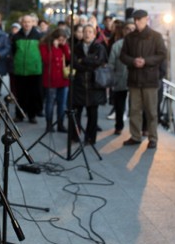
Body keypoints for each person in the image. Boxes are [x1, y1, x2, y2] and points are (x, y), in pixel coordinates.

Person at [119, 9, 167, 149]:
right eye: (135, 19)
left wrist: (145, 61)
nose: (136, 22)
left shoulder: (156, 36)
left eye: (139, 19)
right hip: (134, 79)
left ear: (146, 19)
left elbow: (162, 55)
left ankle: (153, 138)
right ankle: (135, 136)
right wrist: (133, 61)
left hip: (150, 80)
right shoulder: (129, 37)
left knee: (152, 111)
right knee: (134, 110)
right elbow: (123, 56)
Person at [71, 24, 108, 144]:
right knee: (76, 112)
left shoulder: (99, 47)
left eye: (90, 31)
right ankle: (75, 135)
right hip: (79, 84)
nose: (87, 34)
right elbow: (75, 63)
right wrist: (88, 62)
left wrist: (84, 60)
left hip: (94, 84)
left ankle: (90, 138)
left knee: (93, 113)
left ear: (94, 34)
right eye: (85, 31)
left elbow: (98, 61)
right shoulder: (77, 46)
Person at [11, 14, 43, 123]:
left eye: (29, 22)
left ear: (33, 23)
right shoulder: (16, 36)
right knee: (20, 94)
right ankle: (19, 115)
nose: (27, 24)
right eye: (24, 22)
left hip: (34, 71)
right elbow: (12, 51)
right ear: (21, 23)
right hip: (20, 70)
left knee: (33, 94)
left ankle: (32, 115)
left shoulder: (38, 36)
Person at [40, 28, 71, 132]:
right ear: (55, 38)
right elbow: (46, 60)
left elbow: (68, 57)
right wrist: (54, 47)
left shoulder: (63, 46)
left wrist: (65, 45)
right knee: (50, 102)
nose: (62, 42)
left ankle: (60, 124)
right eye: (60, 39)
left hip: (63, 79)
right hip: (51, 79)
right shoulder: (45, 46)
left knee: (62, 103)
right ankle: (49, 124)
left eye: (64, 40)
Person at [108, 20, 135, 135]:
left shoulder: (140, 44)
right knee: (119, 105)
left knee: (135, 106)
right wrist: (112, 78)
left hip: (135, 80)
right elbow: (111, 63)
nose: (130, 31)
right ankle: (119, 126)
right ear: (123, 31)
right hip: (120, 79)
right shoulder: (117, 45)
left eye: (133, 29)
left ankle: (136, 129)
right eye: (128, 29)